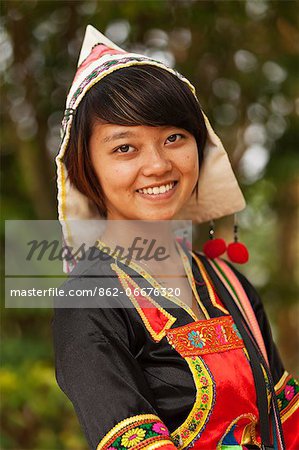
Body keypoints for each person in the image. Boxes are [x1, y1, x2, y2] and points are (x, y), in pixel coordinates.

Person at [52, 25, 298, 450]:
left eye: (173, 138)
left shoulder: (230, 284)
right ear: (85, 168)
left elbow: (286, 422)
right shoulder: (88, 303)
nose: (159, 165)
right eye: (125, 148)